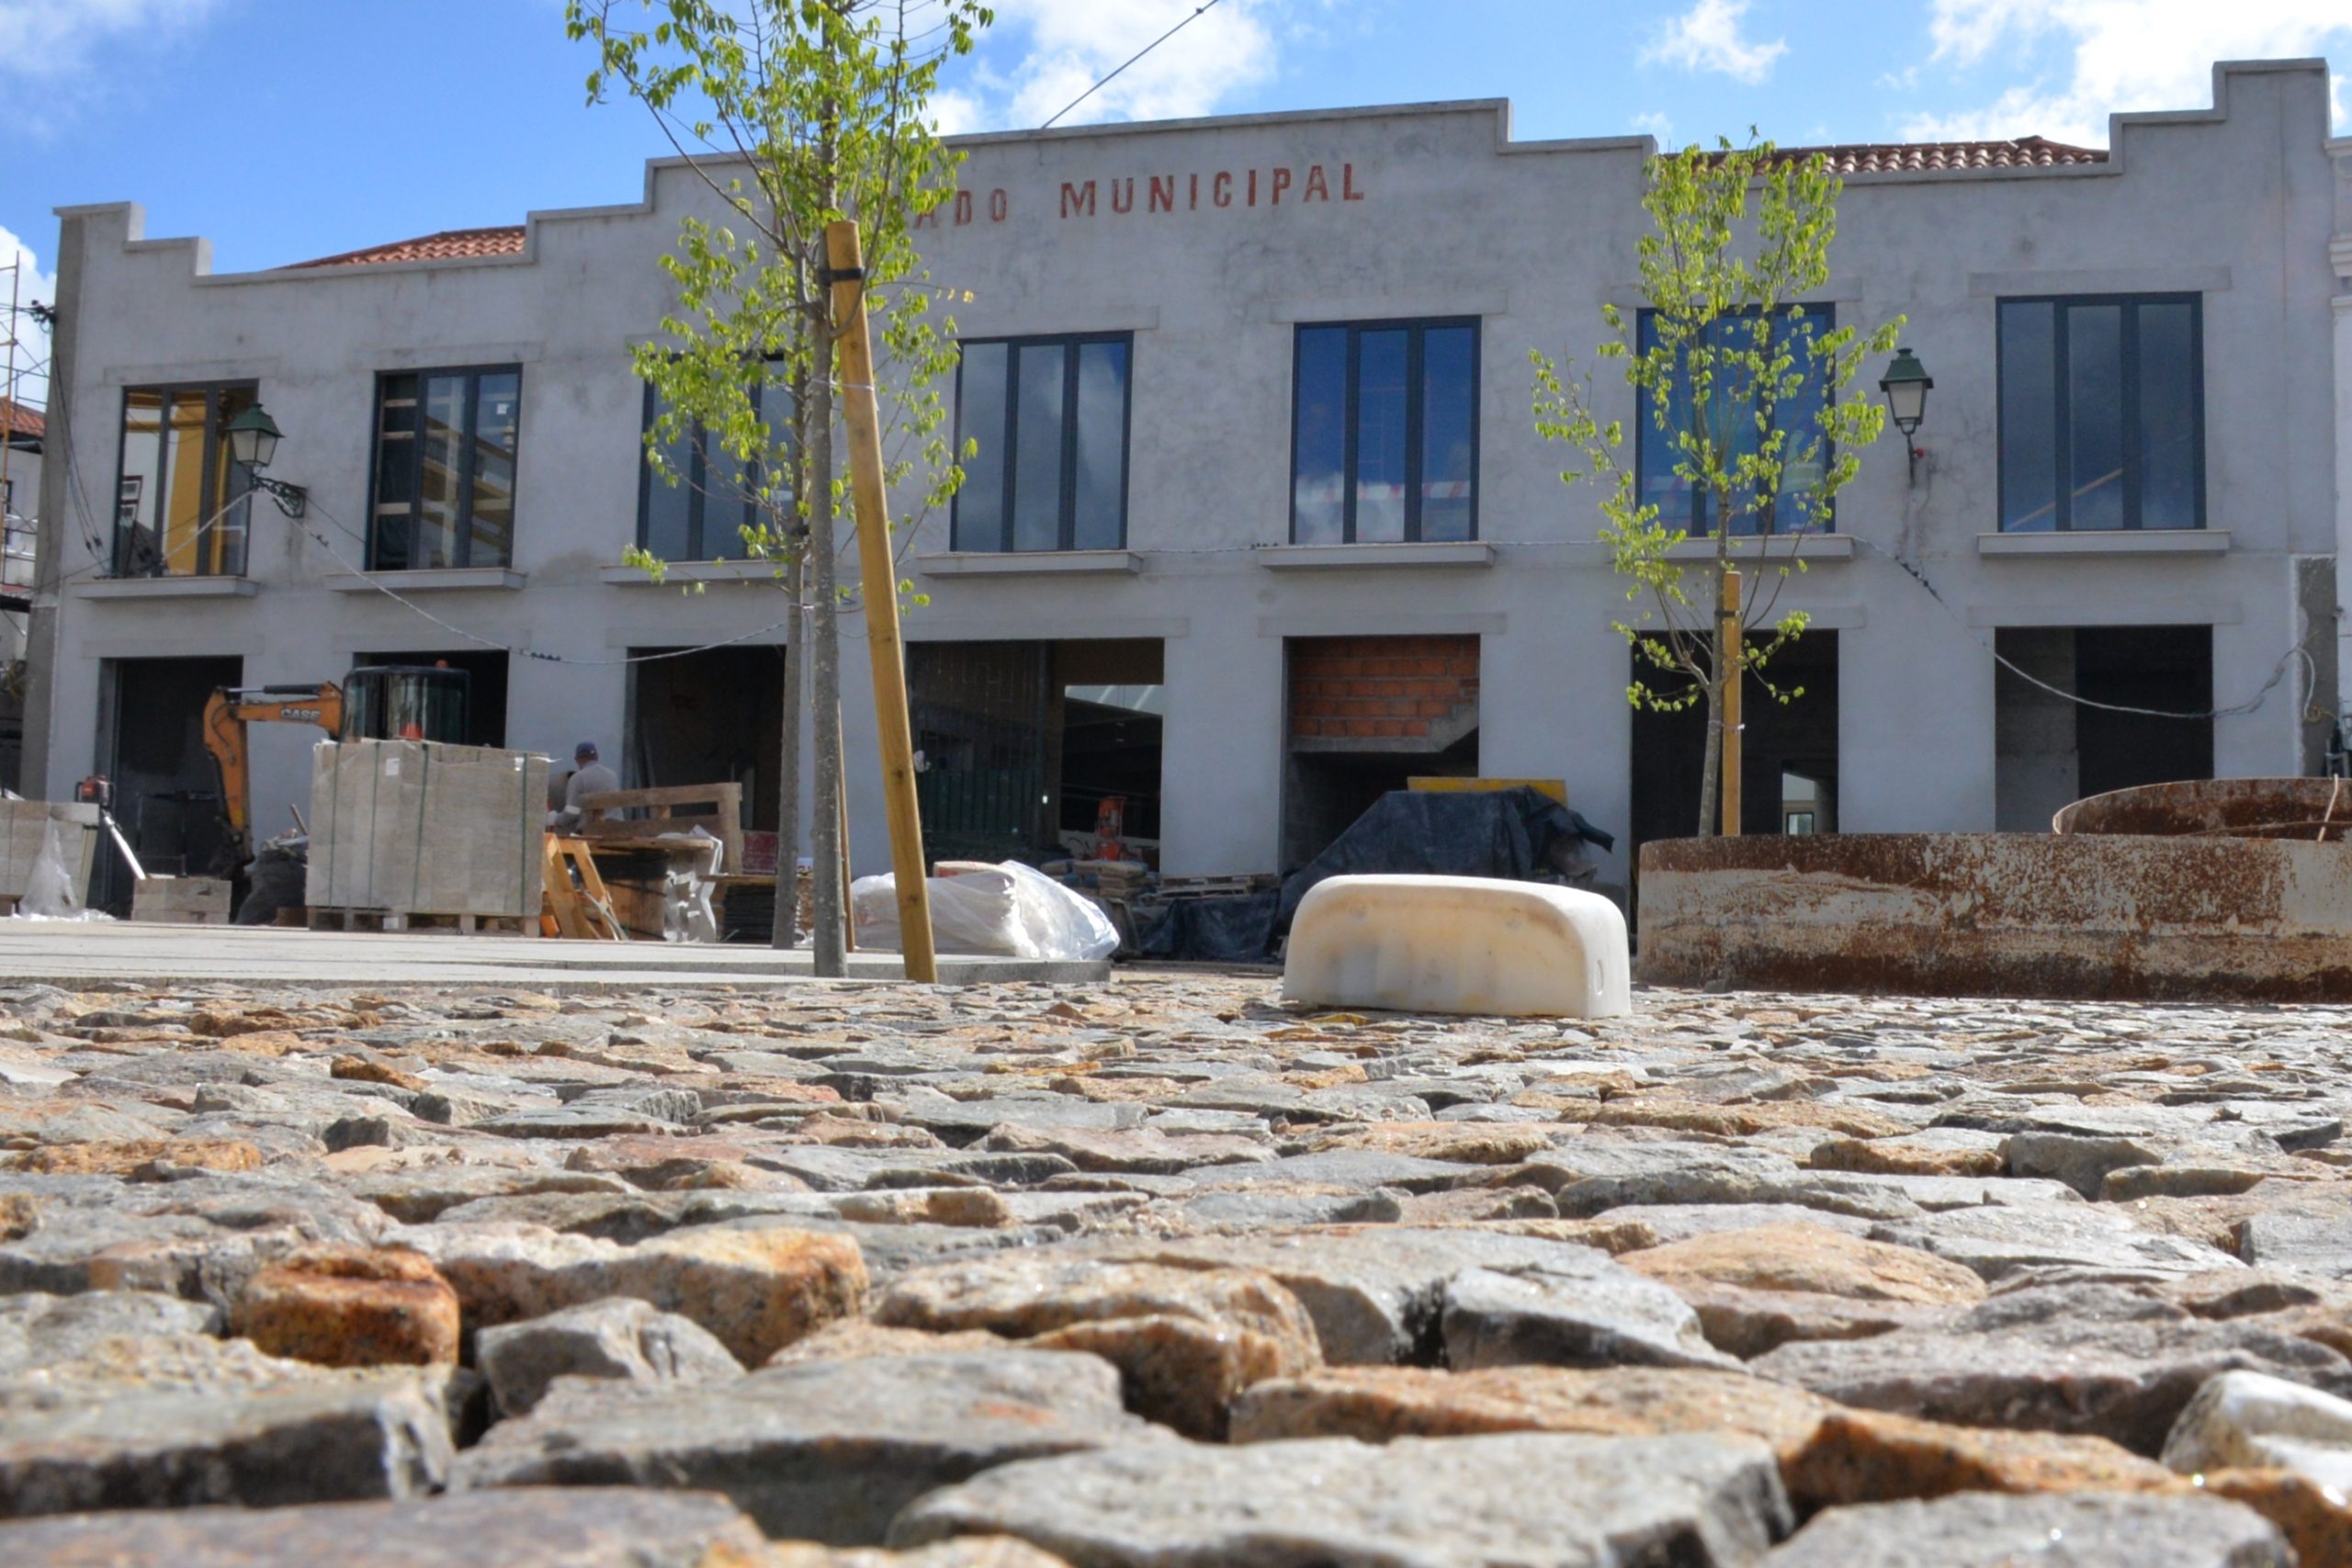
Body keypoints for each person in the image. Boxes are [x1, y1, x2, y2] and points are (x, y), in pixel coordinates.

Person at [551, 741, 620, 832]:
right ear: (597, 757)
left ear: (577, 760)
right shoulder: (612, 775)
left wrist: (554, 819)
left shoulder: (578, 778)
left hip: (591, 832)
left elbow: (572, 813)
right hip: (617, 829)